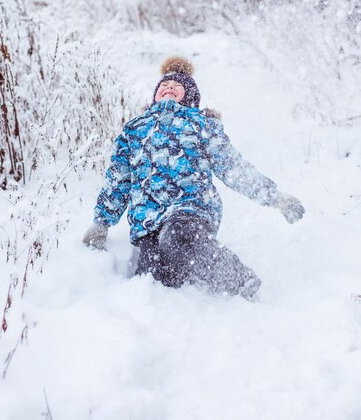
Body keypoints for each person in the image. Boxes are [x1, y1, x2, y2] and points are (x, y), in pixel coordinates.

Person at [83, 56, 305, 299]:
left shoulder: (200, 124)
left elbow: (232, 167)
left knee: (177, 237)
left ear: (189, 95)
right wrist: (102, 222)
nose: (168, 88)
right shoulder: (135, 129)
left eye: (176, 86)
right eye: (164, 86)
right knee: (157, 279)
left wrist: (274, 198)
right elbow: (119, 180)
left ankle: (241, 281)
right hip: (147, 222)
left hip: (190, 210)